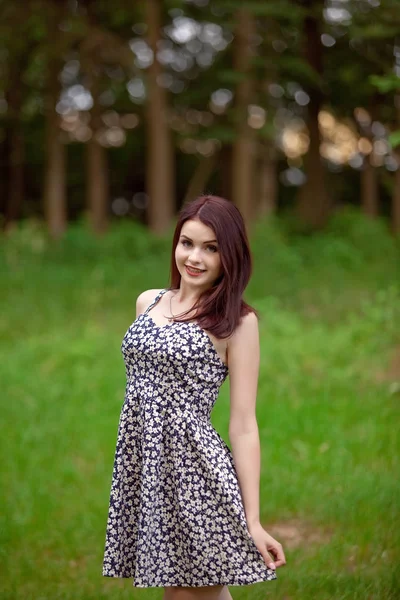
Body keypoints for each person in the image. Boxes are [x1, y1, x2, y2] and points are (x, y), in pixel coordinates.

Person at [102, 195, 286, 599]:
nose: (195, 258)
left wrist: (252, 520)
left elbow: (243, 424)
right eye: (187, 243)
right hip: (148, 468)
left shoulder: (236, 321)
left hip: (195, 474)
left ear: (230, 255)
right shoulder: (147, 302)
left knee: (186, 594)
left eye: (211, 248)